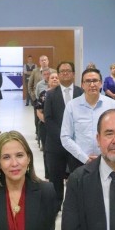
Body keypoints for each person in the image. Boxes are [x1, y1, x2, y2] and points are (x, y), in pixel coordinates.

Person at [43, 61, 83, 210]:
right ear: (58, 75)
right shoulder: (50, 94)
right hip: (55, 144)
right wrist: (63, 137)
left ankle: (75, 207)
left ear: (73, 74)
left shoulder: (81, 93)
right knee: (55, 179)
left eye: (68, 70)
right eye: (62, 71)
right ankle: (56, 207)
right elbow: (48, 118)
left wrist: (73, 138)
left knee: (77, 178)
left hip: (78, 145)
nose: (65, 73)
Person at [61, 67, 115, 168]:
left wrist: (105, 156)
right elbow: (65, 137)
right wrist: (85, 158)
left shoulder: (111, 104)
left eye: (95, 81)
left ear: (101, 83)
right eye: (88, 81)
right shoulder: (72, 106)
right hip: (79, 161)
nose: (92, 85)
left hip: (107, 160)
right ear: (82, 85)